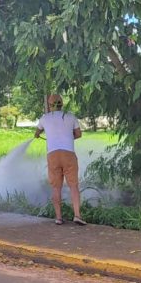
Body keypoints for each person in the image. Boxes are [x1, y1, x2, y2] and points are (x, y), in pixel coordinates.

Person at [34, 94, 86, 226]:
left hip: (53, 156)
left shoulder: (44, 118)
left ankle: (58, 218)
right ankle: (77, 215)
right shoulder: (70, 116)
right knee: (73, 186)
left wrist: (39, 135)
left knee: (56, 188)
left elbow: (36, 133)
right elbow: (79, 134)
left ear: (50, 105)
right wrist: (68, 138)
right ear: (62, 104)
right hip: (68, 154)